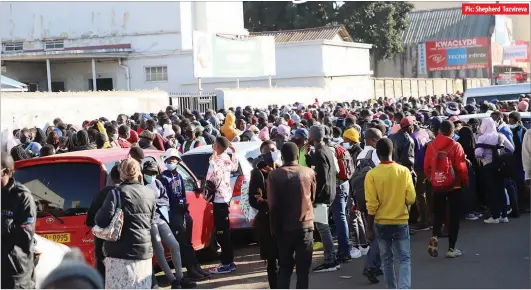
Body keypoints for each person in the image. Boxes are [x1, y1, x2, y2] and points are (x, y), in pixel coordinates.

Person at [94, 158, 155, 289]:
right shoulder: (150, 193)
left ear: (121, 173)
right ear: (139, 173)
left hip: (119, 253)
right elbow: (151, 221)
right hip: (143, 252)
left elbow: (101, 221)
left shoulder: (115, 193)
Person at [365, 138, 416, 289]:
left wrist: (369, 227)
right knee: (404, 258)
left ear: (377, 153)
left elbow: (372, 205)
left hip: (381, 223)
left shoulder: (372, 175)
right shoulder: (403, 171)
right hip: (400, 221)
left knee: (387, 259)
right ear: (392, 151)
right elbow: (411, 198)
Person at [268, 142, 316, 289]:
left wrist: (274, 229)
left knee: (285, 267)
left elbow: (272, 205)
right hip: (305, 225)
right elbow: (313, 197)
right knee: (303, 271)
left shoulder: (274, 175)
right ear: (297, 155)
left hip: (283, 228)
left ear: (282, 157)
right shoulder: (309, 172)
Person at [158, 149, 210, 280]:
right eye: (169, 160)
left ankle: (196, 267)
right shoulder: (163, 178)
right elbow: (164, 199)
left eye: (173, 160)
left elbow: (182, 194)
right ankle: (191, 270)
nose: (171, 162)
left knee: (188, 241)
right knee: (182, 243)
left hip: (183, 211)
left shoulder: (179, 176)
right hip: (173, 212)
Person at [143, 161, 195, 289]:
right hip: (149, 221)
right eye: (149, 173)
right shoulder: (141, 185)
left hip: (159, 218)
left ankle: (180, 277)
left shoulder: (157, 183)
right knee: (159, 249)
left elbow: (164, 199)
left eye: (154, 173)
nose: (151, 175)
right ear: (143, 173)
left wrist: (157, 203)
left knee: (174, 245)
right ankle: (173, 280)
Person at [424, 120, 469, 259]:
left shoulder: (431, 145)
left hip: (438, 184)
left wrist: (433, 179)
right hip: (454, 185)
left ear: (439, 131)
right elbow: (461, 167)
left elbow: (427, 166)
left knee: (439, 213)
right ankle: (451, 248)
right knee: (454, 216)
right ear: (452, 131)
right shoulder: (456, 145)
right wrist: (465, 182)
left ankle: (435, 235)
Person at [1, 153, 37, 289]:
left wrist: (4, 224)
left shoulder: (22, 197)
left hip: (16, 276)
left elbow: (26, 234)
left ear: (7, 172)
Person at [306, 125, 338, 273]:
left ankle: (330, 260)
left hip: (322, 195)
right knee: (324, 227)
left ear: (312, 137)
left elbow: (322, 177)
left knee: (323, 228)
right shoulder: (326, 149)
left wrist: (315, 196)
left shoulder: (319, 152)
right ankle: (331, 258)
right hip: (330, 192)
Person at [249, 141, 280, 289]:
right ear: (261, 154)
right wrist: (271, 204)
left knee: (286, 260)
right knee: (272, 261)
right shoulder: (258, 173)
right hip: (267, 222)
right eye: (267, 151)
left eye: (273, 150)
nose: (270, 153)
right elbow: (254, 199)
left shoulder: (282, 168)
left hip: (283, 222)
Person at [207, 137, 239, 274]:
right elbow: (235, 167)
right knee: (225, 233)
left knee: (222, 234)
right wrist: (234, 152)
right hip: (225, 199)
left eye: (215, 145)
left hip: (219, 201)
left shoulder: (216, 162)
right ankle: (229, 262)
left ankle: (226, 264)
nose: (213, 146)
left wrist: (212, 160)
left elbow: (210, 178)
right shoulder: (227, 159)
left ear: (218, 147)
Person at [356, 128, 383, 283]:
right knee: (379, 235)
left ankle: (376, 266)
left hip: (362, 198)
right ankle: (370, 266)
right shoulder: (375, 154)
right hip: (375, 199)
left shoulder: (360, 155)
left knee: (372, 233)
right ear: (373, 140)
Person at [475, 117, 515, 224]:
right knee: (501, 190)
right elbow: (511, 149)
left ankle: (494, 216)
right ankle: (504, 215)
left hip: (488, 166)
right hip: (500, 167)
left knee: (492, 191)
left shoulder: (482, 138)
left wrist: (485, 155)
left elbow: (478, 153)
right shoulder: (501, 136)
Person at [85, 165, 121, 280]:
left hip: (102, 244)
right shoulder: (129, 192)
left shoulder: (101, 193)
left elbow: (90, 220)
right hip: (122, 245)